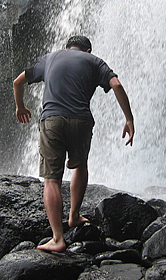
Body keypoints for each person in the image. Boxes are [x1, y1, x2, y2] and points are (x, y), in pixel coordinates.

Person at [13, 35, 134, 252]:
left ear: (67, 48)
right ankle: (74, 215)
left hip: (52, 121)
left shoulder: (50, 58)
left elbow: (17, 81)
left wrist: (20, 107)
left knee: (51, 180)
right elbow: (116, 84)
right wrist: (129, 119)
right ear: (87, 50)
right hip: (81, 121)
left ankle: (58, 238)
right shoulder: (95, 61)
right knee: (80, 165)